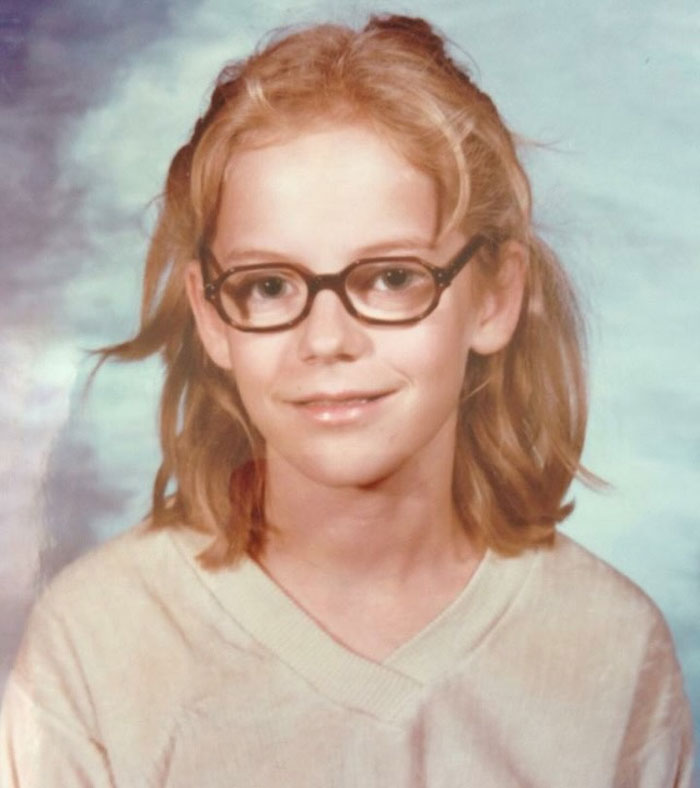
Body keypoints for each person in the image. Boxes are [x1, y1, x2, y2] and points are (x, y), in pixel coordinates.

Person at [0, 14, 694, 787]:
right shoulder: (98, 643)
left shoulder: (610, 648)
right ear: (210, 316)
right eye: (267, 285)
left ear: (496, 296)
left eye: (392, 277)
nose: (325, 339)